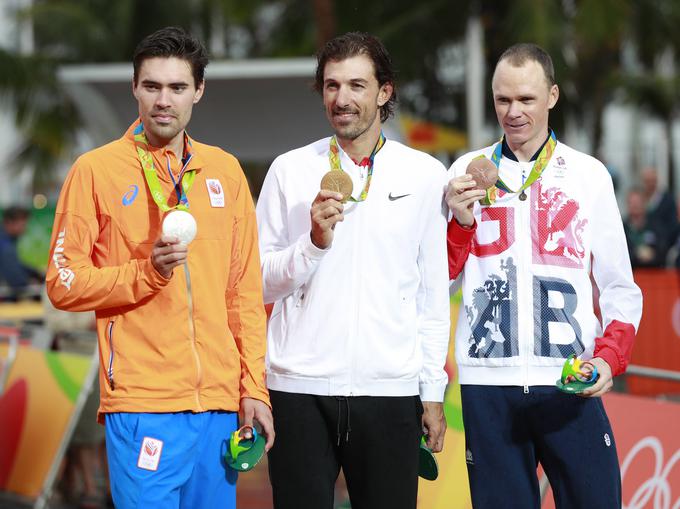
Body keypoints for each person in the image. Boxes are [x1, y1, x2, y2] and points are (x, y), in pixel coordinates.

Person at [45, 26, 273, 509]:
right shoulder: (95, 170)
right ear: (135, 88)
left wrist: (254, 388)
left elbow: (244, 295)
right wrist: (143, 272)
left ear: (198, 91)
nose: (163, 101)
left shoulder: (225, 172)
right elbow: (62, 283)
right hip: (142, 403)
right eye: (151, 86)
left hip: (217, 406)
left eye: (177, 87)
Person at [256, 32, 450, 509]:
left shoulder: (425, 175)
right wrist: (312, 246)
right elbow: (257, 278)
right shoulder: (289, 169)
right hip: (298, 390)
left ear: (384, 92)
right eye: (331, 85)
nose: (342, 99)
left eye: (357, 86)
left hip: (390, 391)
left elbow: (431, 294)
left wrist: (431, 389)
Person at [445, 43, 642, 509]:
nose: (513, 113)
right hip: (487, 384)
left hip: (569, 379)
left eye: (526, 100)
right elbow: (438, 283)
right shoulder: (463, 174)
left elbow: (619, 286)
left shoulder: (588, 175)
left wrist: (609, 358)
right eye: (503, 100)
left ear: (552, 96)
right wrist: (459, 225)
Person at [0, 206, 43, 301]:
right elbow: (16, 280)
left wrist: (36, 273)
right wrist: (32, 282)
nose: (25, 228)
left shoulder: (6, 239)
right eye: (22, 224)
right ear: (9, 222)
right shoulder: (5, 244)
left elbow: (15, 265)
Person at [623, 187, 667, 267]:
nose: (635, 205)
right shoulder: (622, 228)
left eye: (637, 202)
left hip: (654, 273)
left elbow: (663, 249)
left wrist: (652, 254)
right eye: (632, 202)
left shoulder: (655, 225)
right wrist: (637, 254)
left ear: (644, 203)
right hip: (632, 273)